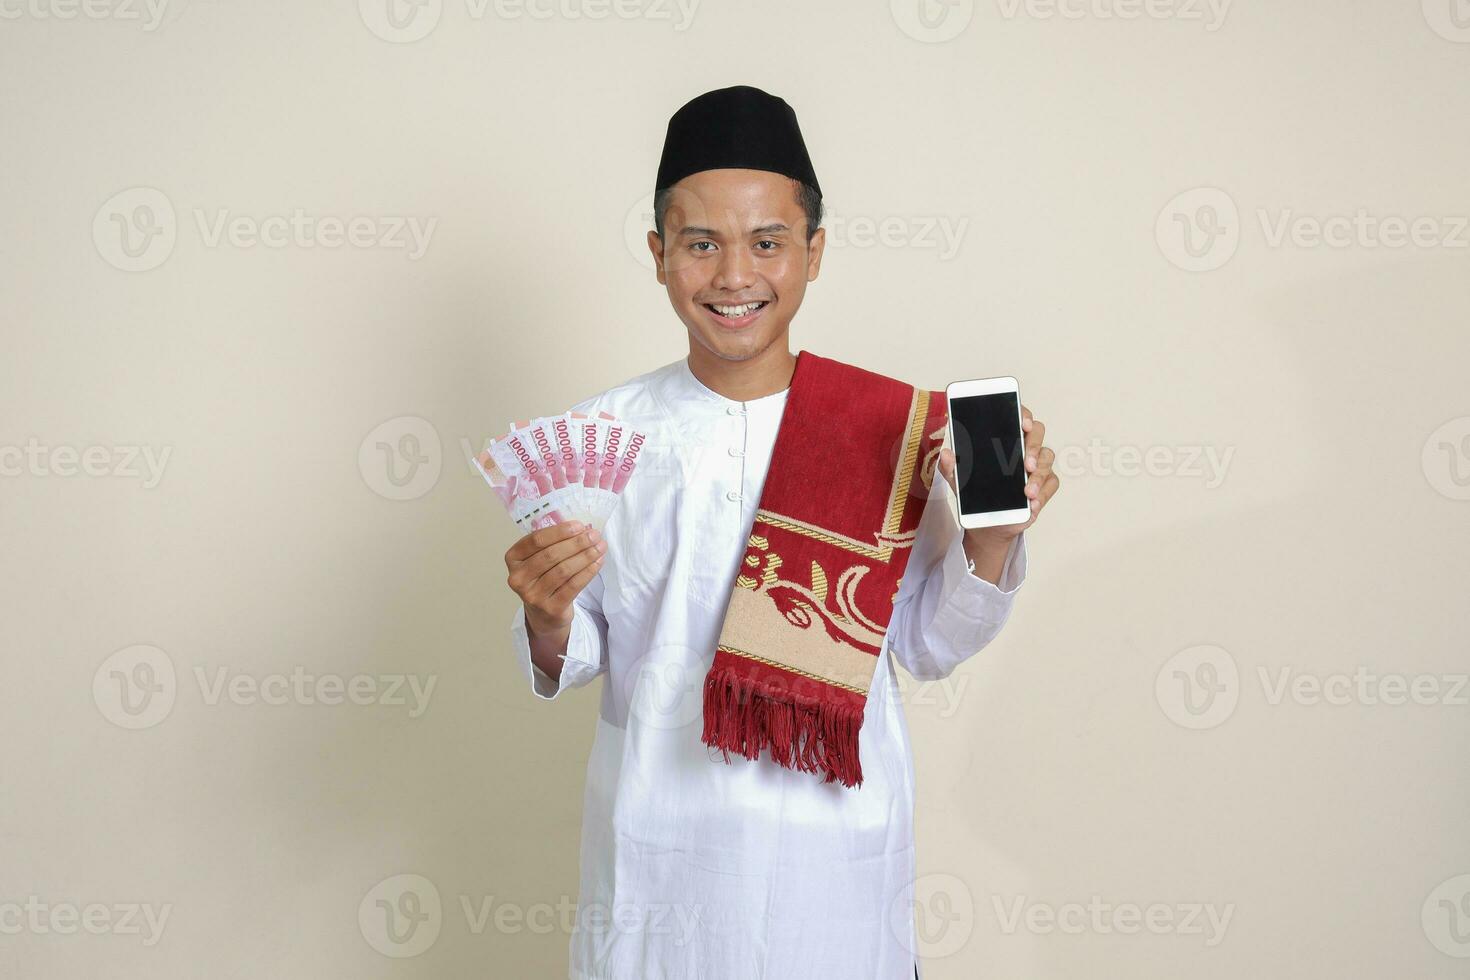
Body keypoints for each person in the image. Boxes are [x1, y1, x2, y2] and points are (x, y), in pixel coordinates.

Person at [503, 85, 1060, 980]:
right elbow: (578, 649)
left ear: (813, 251)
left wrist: (992, 539)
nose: (734, 275)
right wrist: (545, 617)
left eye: (767, 242)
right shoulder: (597, 442)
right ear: (658, 255)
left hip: (832, 872)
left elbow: (924, 643)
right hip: (659, 867)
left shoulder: (889, 427)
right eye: (700, 243)